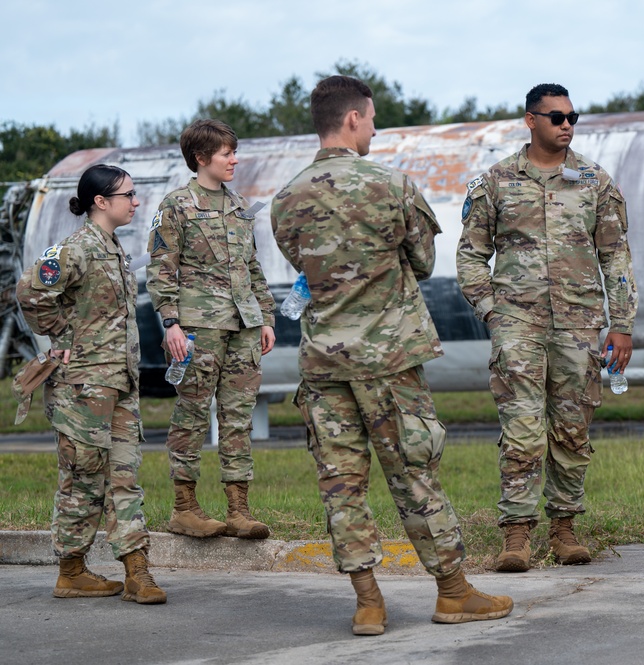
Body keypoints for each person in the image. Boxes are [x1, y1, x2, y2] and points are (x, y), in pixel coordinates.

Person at [270, 75, 512, 636]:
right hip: (388, 361)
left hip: (323, 363)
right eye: (373, 118)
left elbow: (304, 267)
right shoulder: (392, 184)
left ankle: (368, 603)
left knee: (340, 483)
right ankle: (453, 592)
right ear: (353, 119)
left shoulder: (287, 198)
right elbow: (423, 263)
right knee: (413, 475)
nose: (375, 128)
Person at [456, 83, 638, 572]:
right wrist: (493, 311)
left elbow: (614, 255)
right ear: (530, 120)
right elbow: (471, 256)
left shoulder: (594, 181)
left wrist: (621, 323)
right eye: (556, 117)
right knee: (522, 428)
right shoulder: (495, 182)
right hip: (518, 323)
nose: (566, 125)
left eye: (572, 116)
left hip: (579, 324)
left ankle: (564, 528)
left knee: (573, 428)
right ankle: (516, 534)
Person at [16, 164, 166, 604]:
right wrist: (64, 337)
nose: (135, 202)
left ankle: (138, 572)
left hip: (117, 385)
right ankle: (72, 571)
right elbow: (30, 292)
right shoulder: (77, 248)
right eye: (129, 195)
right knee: (83, 479)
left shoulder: (113, 249)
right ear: (101, 201)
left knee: (124, 477)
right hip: (82, 389)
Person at [146, 119, 276, 541]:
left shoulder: (239, 206)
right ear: (202, 158)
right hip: (197, 327)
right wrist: (170, 323)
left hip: (242, 325)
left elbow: (252, 268)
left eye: (233, 152)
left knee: (237, 419)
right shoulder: (176, 205)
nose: (234, 160)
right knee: (192, 414)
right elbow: (161, 270)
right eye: (226, 154)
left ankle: (238, 510)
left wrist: (266, 317)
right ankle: (185, 508)